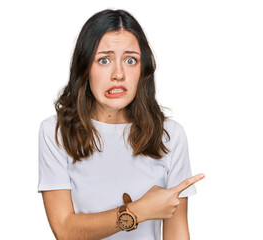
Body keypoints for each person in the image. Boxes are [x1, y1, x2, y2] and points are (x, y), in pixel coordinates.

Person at [38, 9, 205, 240]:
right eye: (104, 60)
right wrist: (139, 211)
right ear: (85, 68)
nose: (118, 74)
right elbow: (65, 230)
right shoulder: (56, 132)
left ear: (142, 69)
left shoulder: (170, 136)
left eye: (130, 60)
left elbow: (177, 233)